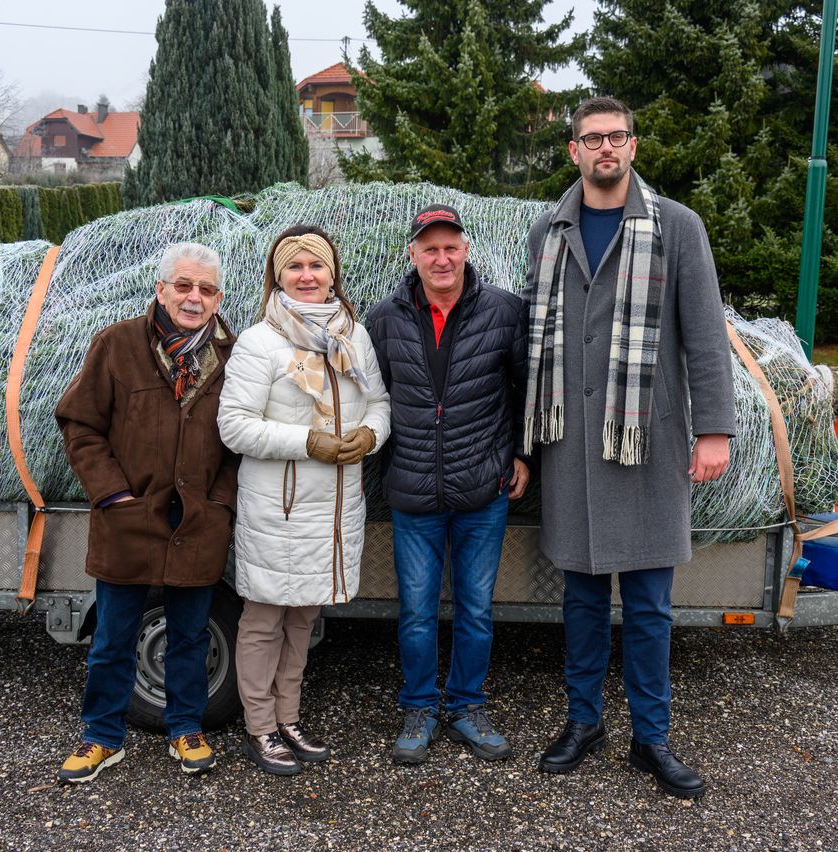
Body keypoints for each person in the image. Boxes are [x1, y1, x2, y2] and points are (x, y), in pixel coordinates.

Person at [524, 97, 736, 799]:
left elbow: (705, 335)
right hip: (572, 446)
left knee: (648, 607)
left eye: (617, 137)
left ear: (634, 147)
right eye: (593, 139)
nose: (606, 148)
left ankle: (652, 738)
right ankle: (583, 723)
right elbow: (536, 336)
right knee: (581, 602)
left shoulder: (677, 226)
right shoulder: (548, 229)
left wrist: (714, 430)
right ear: (574, 151)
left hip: (646, 441)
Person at [55, 242, 238, 783]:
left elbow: (240, 443)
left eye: (206, 289)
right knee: (113, 639)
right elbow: (80, 424)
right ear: (161, 290)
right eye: (183, 285)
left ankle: (185, 728)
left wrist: (220, 502)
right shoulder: (117, 344)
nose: (194, 297)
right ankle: (101, 736)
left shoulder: (233, 357)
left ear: (218, 298)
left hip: (197, 523)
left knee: (190, 636)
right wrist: (112, 495)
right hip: (128, 520)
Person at [217, 225, 390, 776]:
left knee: (303, 618)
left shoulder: (352, 336)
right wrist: (308, 442)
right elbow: (234, 426)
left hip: (334, 510)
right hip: (280, 509)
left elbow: (379, 403)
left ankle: (287, 718)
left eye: (317, 265)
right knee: (265, 617)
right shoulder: (260, 342)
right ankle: (259, 727)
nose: (307, 276)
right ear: (278, 276)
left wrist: (370, 435)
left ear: (332, 274)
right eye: (295, 266)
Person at [367, 204, 529, 764]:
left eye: (451, 247)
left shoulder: (505, 311)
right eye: (430, 249)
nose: (442, 259)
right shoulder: (384, 318)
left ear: (466, 250)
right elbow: (372, 397)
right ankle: (418, 708)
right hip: (413, 491)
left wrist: (522, 453)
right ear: (413, 254)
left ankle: (466, 706)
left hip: (482, 488)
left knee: (475, 609)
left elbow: (527, 389)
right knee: (416, 612)